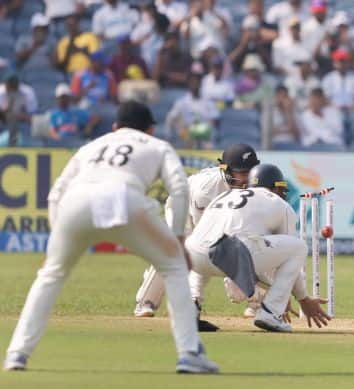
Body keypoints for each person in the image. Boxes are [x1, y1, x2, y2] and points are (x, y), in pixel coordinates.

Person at [3, 101, 219, 374]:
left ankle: (16, 354)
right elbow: (178, 189)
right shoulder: (158, 145)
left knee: (50, 275)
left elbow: (56, 192)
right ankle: (189, 353)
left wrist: (58, 234)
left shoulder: (92, 146)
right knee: (175, 266)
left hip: (75, 203)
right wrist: (177, 238)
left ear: (115, 127)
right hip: (126, 200)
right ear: (151, 129)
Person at [185, 163, 331, 333]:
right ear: (275, 188)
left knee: (204, 244)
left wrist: (279, 291)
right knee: (298, 247)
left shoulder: (224, 196)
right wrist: (302, 299)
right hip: (232, 255)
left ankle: (190, 310)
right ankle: (270, 313)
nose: (283, 193)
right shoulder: (280, 204)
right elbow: (286, 257)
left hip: (192, 255)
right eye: (281, 189)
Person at [133, 144, 264, 327]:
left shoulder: (257, 185)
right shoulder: (207, 189)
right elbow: (201, 236)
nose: (245, 179)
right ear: (225, 170)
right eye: (240, 173)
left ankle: (256, 304)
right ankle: (146, 303)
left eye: (248, 172)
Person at [165, 73, 220, 147]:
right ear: (189, 84)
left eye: (197, 82)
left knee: (209, 143)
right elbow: (171, 119)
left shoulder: (209, 102)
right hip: (187, 135)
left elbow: (216, 120)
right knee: (175, 119)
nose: (195, 84)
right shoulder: (181, 102)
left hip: (205, 136)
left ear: (200, 83)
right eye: (193, 82)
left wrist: (204, 127)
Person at [0, 72, 38, 147]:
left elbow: (32, 117)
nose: (12, 87)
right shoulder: (1, 92)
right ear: (6, 83)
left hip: (22, 127)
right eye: (10, 84)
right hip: (3, 126)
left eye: (14, 84)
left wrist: (17, 115)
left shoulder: (28, 92)